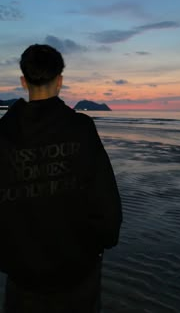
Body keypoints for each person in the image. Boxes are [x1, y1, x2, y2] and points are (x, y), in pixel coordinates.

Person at [0, 44, 122, 313]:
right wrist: (99, 245)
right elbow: (107, 204)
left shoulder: (3, 134)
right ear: (60, 81)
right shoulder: (81, 129)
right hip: (77, 273)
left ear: (23, 81)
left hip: (22, 275)